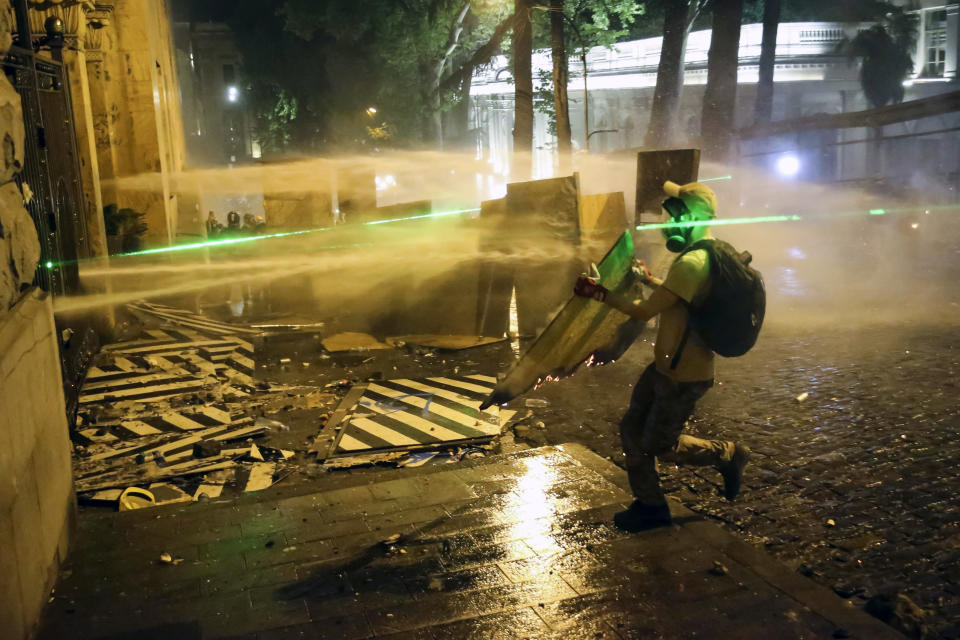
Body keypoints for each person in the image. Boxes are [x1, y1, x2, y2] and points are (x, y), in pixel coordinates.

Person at [573, 180, 750, 532]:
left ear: (692, 217)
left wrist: (598, 293)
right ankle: (650, 506)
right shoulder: (704, 253)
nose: (666, 224)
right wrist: (651, 279)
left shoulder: (695, 261)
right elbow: (679, 299)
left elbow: (644, 312)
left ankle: (727, 454)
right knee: (631, 429)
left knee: (660, 445)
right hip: (666, 366)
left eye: (673, 216)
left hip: (685, 375)